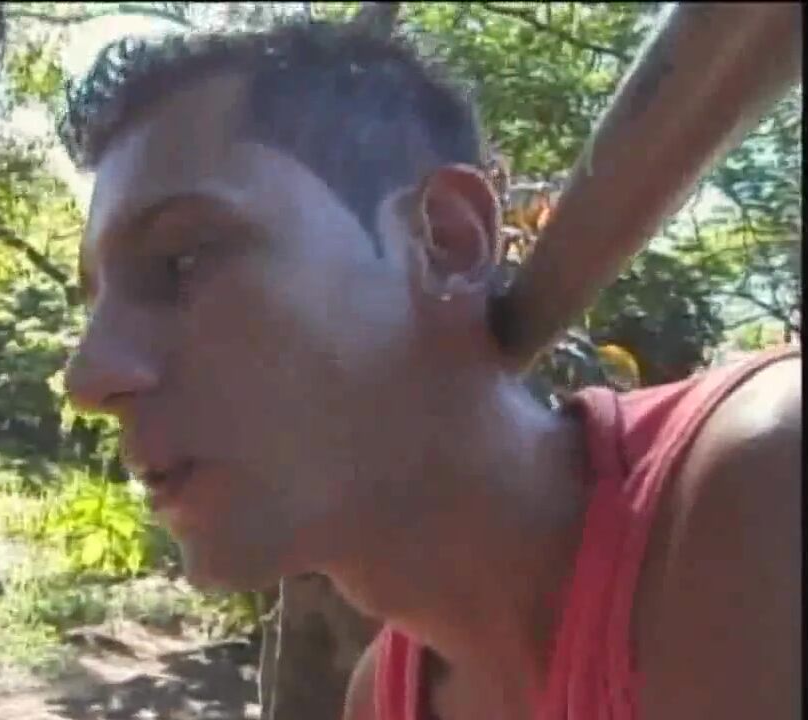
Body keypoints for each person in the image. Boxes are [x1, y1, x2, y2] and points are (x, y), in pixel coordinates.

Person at [59, 21, 801, 720]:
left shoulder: (767, 482)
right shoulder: (384, 697)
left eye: (183, 260)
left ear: (446, 241)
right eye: (97, 306)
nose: (89, 378)